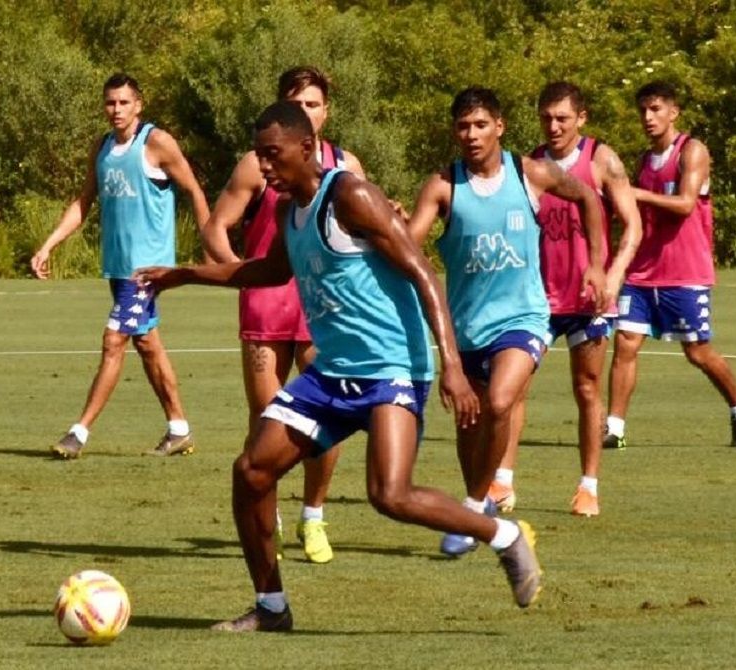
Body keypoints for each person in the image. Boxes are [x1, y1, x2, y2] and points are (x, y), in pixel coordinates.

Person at [135, 101, 541, 633]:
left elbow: (423, 273)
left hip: (391, 367)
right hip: (331, 375)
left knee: (389, 495)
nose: (264, 166)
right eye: (259, 156)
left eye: (272, 154)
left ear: (306, 148)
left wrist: (452, 367)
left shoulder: (350, 195)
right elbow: (268, 271)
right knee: (251, 471)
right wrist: (185, 273)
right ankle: (271, 609)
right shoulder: (286, 211)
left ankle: (503, 537)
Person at [406, 87, 606, 556]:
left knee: (499, 402)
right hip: (466, 327)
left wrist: (596, 263)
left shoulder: (530, 173)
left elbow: (589, 199)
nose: (471, 135)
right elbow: (410, 246)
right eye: (462, 126)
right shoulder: (443, 185)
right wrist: (387, 228)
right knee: (469, 425)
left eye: (480, 125)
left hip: (524, 319)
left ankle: (476, 504)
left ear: (500, 126)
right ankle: (475, 507)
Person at [200, 66, 365, 564]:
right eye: (297, 105)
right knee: (269, 417)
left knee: (327, 416)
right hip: (268, 300)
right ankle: (264, 514)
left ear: (326, 111)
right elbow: (216, 226)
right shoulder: (257, 165)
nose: (307, 113)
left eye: (314, 105)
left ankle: (313, 516)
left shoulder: (346, 165)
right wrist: (237, 272)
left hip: (324, 306)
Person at [32, 73, 210, 459]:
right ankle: (179, 429)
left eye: (123, 102)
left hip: (146, 271)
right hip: (117, 267)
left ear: (138, 105)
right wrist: (48, 244)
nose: (116, 109)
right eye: (110, 102)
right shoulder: (101, 147)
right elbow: (83, 202)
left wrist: (210, 241)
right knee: (147, 344)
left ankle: (78, 433)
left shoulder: (156, 143)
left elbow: (194, 189)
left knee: (113, 341)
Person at [487, 82, 642, 518]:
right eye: (546, 118)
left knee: (587, 388)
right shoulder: (529, 166)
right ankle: (502, 482)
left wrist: (612, 274)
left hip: (588, 298)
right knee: (513, 389)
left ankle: (588, 486)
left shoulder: (601, 160)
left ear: (582, 118)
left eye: (562, 118)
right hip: (535, 298)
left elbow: (632, 227)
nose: (553, 126)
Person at [604, 80, 736, 450]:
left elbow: (685, 205)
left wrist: (634, 193)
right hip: (642, 271)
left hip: (684, 271)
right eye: (643, 111)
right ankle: (614, 428)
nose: (648, 117)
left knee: (696, 351)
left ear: (673, 112)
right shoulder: (642, 161)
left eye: (655, 109)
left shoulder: (691, 150)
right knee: (626, 343)